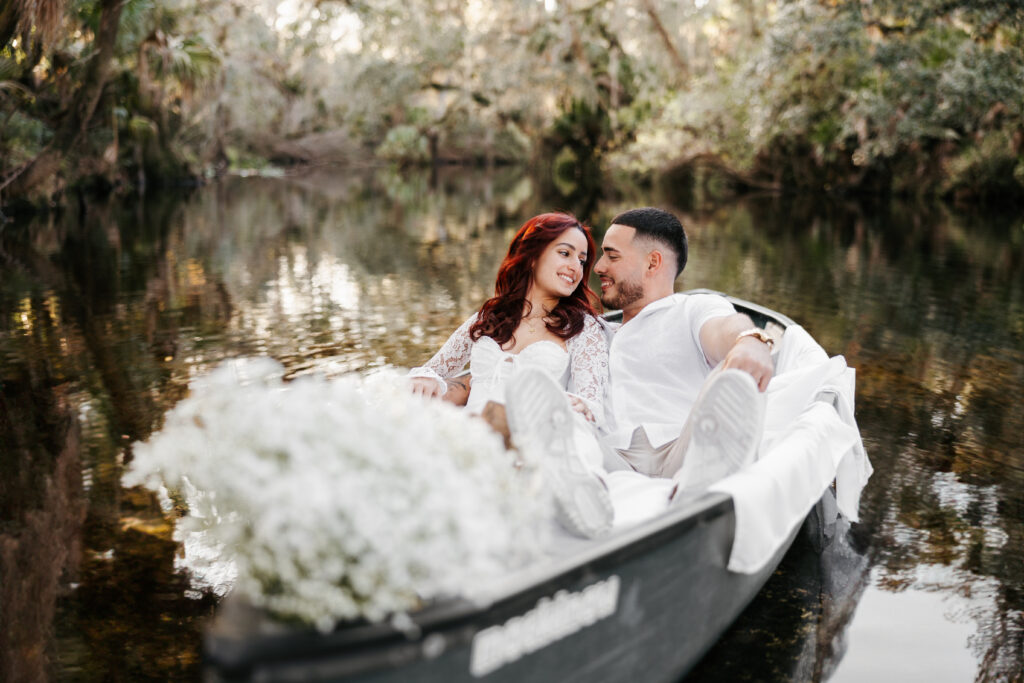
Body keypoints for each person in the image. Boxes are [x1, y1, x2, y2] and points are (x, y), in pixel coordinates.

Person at [507, 206, 775, 503]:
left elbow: (726, 328)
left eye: (612, 255)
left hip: (682, 449)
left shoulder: (692, 309)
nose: (596, 267)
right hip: (608, 456)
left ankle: (698, 483)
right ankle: (584, 490)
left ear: (652, 263)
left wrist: (750, 340)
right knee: (552, 409)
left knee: (730, 382)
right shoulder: (590, 332)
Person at [407, 212, 614, 538]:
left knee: (571, 421)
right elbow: (434, 368)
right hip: (476, 431)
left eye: (582, 259)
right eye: (565, 253)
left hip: (531, 432)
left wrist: (570, 407)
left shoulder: (582, 327)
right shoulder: (490, 316)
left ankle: (584, 487)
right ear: (532, 256)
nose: (576, 266)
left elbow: (590, 400)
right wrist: (426, 379)